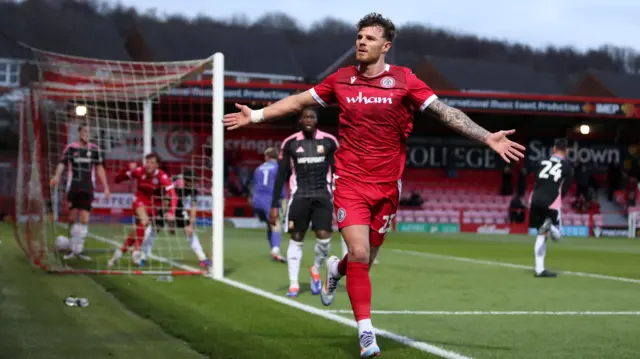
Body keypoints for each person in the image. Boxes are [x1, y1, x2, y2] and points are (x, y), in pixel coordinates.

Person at [223, 13, 524, 357]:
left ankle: (336, 268)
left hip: (387, 186)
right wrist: (256, 115)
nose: (361, 42)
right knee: (362, 254)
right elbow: (298, 101)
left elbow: (444, 112)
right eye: (359, 37)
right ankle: (366, 332)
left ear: (386, 46)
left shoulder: (404, 80)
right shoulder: (341, 79)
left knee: (364, 259)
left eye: (369, 38)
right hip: (349, 180)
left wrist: (487, 137)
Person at [268, 108, 339, 298]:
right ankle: (293, 284)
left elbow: (338, 172)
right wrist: (274, 205)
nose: (308, 119)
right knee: (296, 238)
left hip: (323, 196)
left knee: (324, 238)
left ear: (317, 120)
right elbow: (281, 176)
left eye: (312, 117)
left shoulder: (329, 141)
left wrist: (340, 198)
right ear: (300, 121)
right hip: (299, 196)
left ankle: (315, 269)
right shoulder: (290, 143)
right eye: (305, 117)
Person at [50, 124, 110, 260]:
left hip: (88, 187)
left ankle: (79, 250)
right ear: (79, 133)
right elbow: (62, 163)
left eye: (88, 131)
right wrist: (57, 176)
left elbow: (100, 168)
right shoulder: (71, 148)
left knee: (84, 218)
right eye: (84, 131)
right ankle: (71, 247)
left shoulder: (95, 149)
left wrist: (106, 187)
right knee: (71, 218)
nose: (86, 133)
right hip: (73, 187)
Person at [107, 153, 177, 268]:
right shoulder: (139, 171)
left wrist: (172, 211)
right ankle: (136, 252)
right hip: (138, 201)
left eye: (152, 163)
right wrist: (127, 168)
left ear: (157, 165)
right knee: (144, 222)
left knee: (138, 231)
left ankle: (118, 254)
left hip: (152, 207)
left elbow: (173, 195)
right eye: (147, 162)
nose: (148, 165)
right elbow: (118, 179)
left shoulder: (162, 176)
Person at [528, 138, 573, 278]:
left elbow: (536, 180)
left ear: (554, 149)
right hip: (552, 202)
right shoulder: (567, 167)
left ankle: (539, 269)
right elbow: (565, 188)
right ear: (566, 151)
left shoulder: (540, 162)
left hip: (534, 199)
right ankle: (552, 227)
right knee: (557, 237)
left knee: (541, 235)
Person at [149, 168, 211, 267]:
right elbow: (165, 199)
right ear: (186, 181)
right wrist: (169, 219)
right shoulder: (175, 184)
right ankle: (142, 255)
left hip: (178, 207)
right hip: (166, 204)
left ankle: (202, 258)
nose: (195, 183)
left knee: (190, 231)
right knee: (154, 229)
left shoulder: (193, 189)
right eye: (193, 181)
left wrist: (191, 225)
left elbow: (194, 207)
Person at [251, 147, 286, 262]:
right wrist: (283, 201)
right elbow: (280, 186)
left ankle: (273, 250)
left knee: (269, 224)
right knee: (276, 224)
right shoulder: (278, 168)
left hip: (256, 200)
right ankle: (276, 250)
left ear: (267, 157)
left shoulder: (258, 168)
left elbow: (254, 184)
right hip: (270, 199)